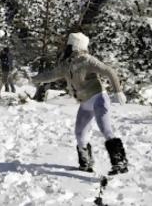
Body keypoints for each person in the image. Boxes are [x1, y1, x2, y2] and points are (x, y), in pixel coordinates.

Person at [32, 32, 128, 175]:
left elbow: (109, 71)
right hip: (85, 103)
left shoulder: (87, 60)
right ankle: (85, 162)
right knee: (80, 134)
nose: (67, 47)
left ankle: (120, 163)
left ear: (75, 45)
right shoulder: (66, 65)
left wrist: (118, 91)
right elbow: (50, 75)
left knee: (106, 130)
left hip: (98, 98)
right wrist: (33, 78)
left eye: (69, 45)